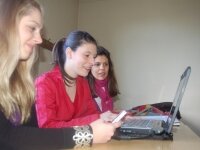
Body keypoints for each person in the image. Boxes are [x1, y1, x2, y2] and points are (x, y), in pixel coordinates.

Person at [0, 0, 120, 149]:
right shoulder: (44, 83)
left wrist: (100, 118)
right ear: (6, 24)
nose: (39, 39)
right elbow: (8, 136)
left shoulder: (19, 84)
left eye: (39, 31)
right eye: (32, 28)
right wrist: (87, 134)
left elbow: (32, 133)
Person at [35, 31, 118, 128]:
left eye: (94, 57)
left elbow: (92, 114)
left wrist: (109, 118)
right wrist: (98, 118)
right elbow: (47, 127)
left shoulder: (83, 82)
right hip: (55, 143)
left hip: (81, 141)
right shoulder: (45, 82)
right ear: (69, 53)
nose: (92, 62)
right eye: (87, 55)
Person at [87, 46, 120, 112]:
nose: (102, 68)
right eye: (97, 64)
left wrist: (121, 113)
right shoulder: (84, 88)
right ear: (90, 67)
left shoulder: (109, 85)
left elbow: (110, 112)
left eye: (105, 64)